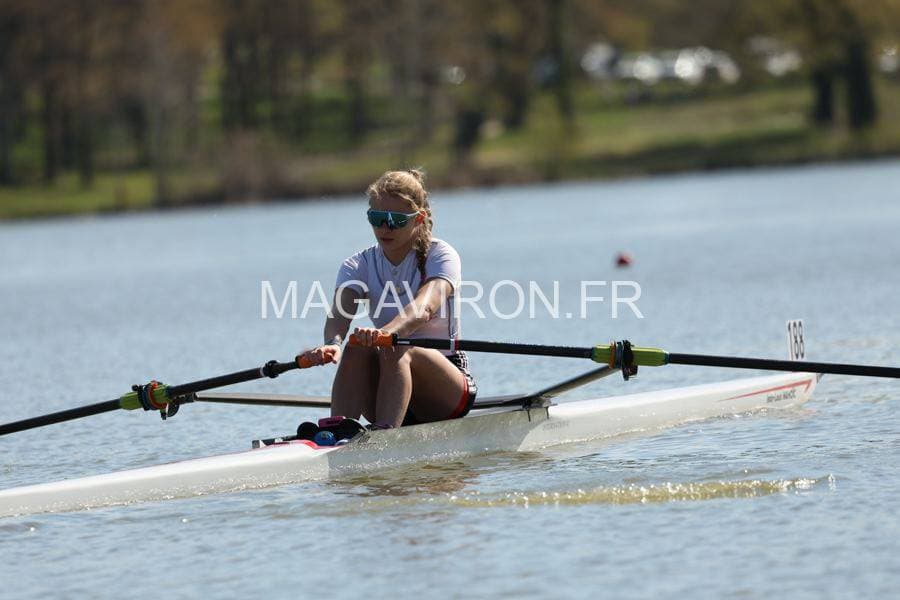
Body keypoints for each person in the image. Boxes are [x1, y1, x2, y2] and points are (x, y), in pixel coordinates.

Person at [299, 169, 476, 429]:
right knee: (356, 346)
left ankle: (385, 435)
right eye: (377, 218)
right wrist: (332, 343)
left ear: (419, 219)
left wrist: (386, 334)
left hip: (446, 389)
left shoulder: (440, 255)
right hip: (389, 383)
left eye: (396, 220)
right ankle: (336, 434)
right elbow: (339, 313)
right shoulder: (358, 265)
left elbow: (424, 308)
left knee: (396, 345)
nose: (385, 227)